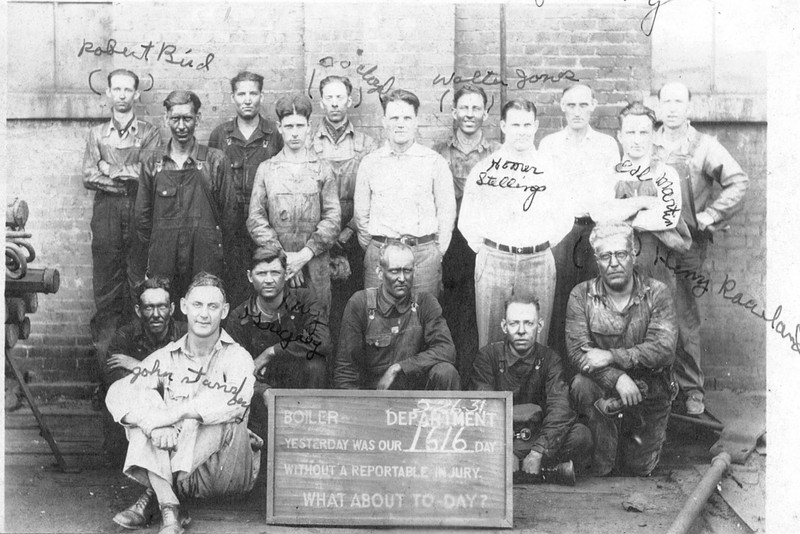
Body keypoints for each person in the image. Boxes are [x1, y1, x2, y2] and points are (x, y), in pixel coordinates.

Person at [106, 273, 260, 534]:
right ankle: (170, 508)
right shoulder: (166, 356)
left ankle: (152, 495)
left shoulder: (237, 356)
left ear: (224, 311)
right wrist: (152, 424)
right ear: (184, 307)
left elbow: (235, 402)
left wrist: (169, 416)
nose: (204, 314)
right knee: (143, 401)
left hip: (224, 472)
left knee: (202, 413)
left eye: (212, 307)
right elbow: (118, 393)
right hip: (183, 473)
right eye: (197, 305)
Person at [654, 82, 749, 415]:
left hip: (687, 246)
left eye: (679, 101)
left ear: (689, 107)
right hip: (650, 242)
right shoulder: (648, 143)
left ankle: (692, 389)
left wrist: (711, 214)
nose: (672, 107)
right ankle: (656, 387)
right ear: (658, 106)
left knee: (684, 317)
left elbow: (738, 181)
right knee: (650, 313)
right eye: (666, 101)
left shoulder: (704, 146)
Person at [459, 98, 573, 348]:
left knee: (536, 338)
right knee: (490, 340)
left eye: (526, 125)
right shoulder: (485, 169)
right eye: (515, 125)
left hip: (537, 262)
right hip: (494, 261)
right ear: (503, 126)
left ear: (536, 126)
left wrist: (540, 244)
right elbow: (467, 220)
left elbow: (565, 216)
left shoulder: (551, 169)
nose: (521, 131)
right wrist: (490, 250)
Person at [566, 222, 677, 477]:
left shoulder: (657, 293)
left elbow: (663, 349)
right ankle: (605, 451)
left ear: (633, 254)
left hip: (649, 391)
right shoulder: (581, 295)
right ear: (596, 260)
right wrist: (618, 378)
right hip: (603, 388)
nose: (614, 262)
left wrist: (610, 356)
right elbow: (577, 353)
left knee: (638, 468)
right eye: (606, 256)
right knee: (581, 385)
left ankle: (635, 445)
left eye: (621, 254)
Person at [82, 68, 161, 363]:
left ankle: (137, 366)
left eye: (129, 90)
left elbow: (147, 172)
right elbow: (89, 176)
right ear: (109, 93)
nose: (123, 95)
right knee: (106, 292)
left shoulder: (150, 132)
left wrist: (111, 169)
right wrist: (122, 177)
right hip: (106, 215)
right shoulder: (97, 134)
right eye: (117, 89)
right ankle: (105, 374)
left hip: (140, 209)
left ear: (137, 94)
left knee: (137, 286)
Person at [538, 83, 620, 359]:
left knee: (595, 301)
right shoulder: (548, 145)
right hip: (561, 231)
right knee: (559, 301)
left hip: (596, 231)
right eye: (571, 105)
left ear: (593, 106)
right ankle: (559, 371)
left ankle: (591, 370)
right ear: (562, 106)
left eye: (583, 105)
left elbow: (612, 193)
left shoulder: (607, 146)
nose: (577, 111)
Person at [469, 293, 591, 475]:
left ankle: (519, 469)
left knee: (581, 435)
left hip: (535, 437)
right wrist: (505, 449)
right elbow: (485, 408)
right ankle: (548, 472)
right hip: (498, 439)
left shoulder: (550, 359)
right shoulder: (488, 356)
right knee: (471, 440)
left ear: (539, 326)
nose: (521, 330)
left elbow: (560, 408)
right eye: (514, 323)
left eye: (528, 323)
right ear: (504, 326)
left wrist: (538, 451)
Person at [135, 90, 237, 307]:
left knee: (203, 313)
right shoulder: (152, 162)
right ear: (166, 119)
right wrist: (154, 257)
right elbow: (142, 220)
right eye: (175, 119)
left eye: (187, 118)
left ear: (197, 119)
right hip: (163, 260)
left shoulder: (215, 161)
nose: (181, 126)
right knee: (163, 315)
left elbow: (230, 218)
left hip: (205, 258)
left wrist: (218, 255)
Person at [247, 94, 340, 323]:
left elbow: (333, 218)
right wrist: (284, 259)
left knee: (317, 325)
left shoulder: (323, 169)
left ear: (309, 127)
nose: (295, 132)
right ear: (280, 128)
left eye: (300, 126)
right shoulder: (267, 169)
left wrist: (305, 255)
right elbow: (256, 218)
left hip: (316, 266)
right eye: (289, 126)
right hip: (276, 266)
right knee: (278, 325)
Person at [354, 89, 456, 297]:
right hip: (381, 253)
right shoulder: (370, 163)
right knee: (379, 321)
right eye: (394, 118)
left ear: (416, 121)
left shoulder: (434, 162)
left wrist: (435, 252)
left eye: (407, 118)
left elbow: (446, 213)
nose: (400, 124)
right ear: (384, 121)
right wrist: (378, 248)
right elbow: (361, 216)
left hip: (423, 257)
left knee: (422, 321)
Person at [225, 245, 330, 440]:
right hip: (260, 396)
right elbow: (232, 371)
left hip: (300, 388)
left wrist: (271, 351)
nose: (269, 280)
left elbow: (321, 341)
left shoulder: (305, 300)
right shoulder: (239, 317)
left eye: (275, 272)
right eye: (261, 273)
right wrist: (262, 391)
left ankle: (312, 434)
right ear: (250, 276)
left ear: (287, 273)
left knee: (316, 365)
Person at [434, 84, 500, 380]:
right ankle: (453, 377)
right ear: (454, 112)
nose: (470, 114)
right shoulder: (437, 153)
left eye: (476, 108)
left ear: (485, 113)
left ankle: (482, 380)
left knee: (483, 315)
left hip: (486, 241)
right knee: (453, 313)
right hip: (451, 243)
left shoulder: (498, 153)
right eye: (464, 108)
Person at [309, 75, 377, 352]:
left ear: (349, 101)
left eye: (340, 97)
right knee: (320, 311)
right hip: (317, 240)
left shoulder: (367, 144)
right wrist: (322, 238)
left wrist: (348, 234)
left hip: (354, 239)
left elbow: (370, 194)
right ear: (321, 101)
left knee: (355, 311)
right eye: (329, 97)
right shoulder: (307, 142)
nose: (335, 103)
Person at [334, 242, 459, 390]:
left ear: (414, 272)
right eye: (394, 271)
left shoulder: (425, 303)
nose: (401, 278)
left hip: (416, 400)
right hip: (375, 396)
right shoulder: (360, 304)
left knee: (446, 372)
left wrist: (399, 367)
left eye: (407, 270)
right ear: (380, 273)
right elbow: (346, 370)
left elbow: (446, 349)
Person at [592, 102, 691, 287]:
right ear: (620, 136)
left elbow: (667, 217)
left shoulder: (665, 174)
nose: (636, 140)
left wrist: (620, 213)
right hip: (616, 267)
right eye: (630, 133)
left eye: (643, 133)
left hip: (657, 264)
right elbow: (599, 214)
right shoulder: (607, 175)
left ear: (653, 136)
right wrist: (643, 202)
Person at [208, 71, 284, 307]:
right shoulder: (220, 135)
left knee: (265, 281)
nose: (247, 99)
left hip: (265, 225)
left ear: (262, 95)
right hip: (229, 226)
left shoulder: (274, 134)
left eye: (253, 93)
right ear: (233, 97)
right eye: (242, 94)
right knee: (232, 282)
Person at [101, 276, 187, 466]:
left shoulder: (185, 335)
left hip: (177, 415)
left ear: (172, 308)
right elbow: (119, 385)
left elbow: (194, 378)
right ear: (139, 311)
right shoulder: (124, 337)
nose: (156, 314)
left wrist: (139, 367)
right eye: (149, 307)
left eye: (162, 307)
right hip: (139, 417)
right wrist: (164, 378)